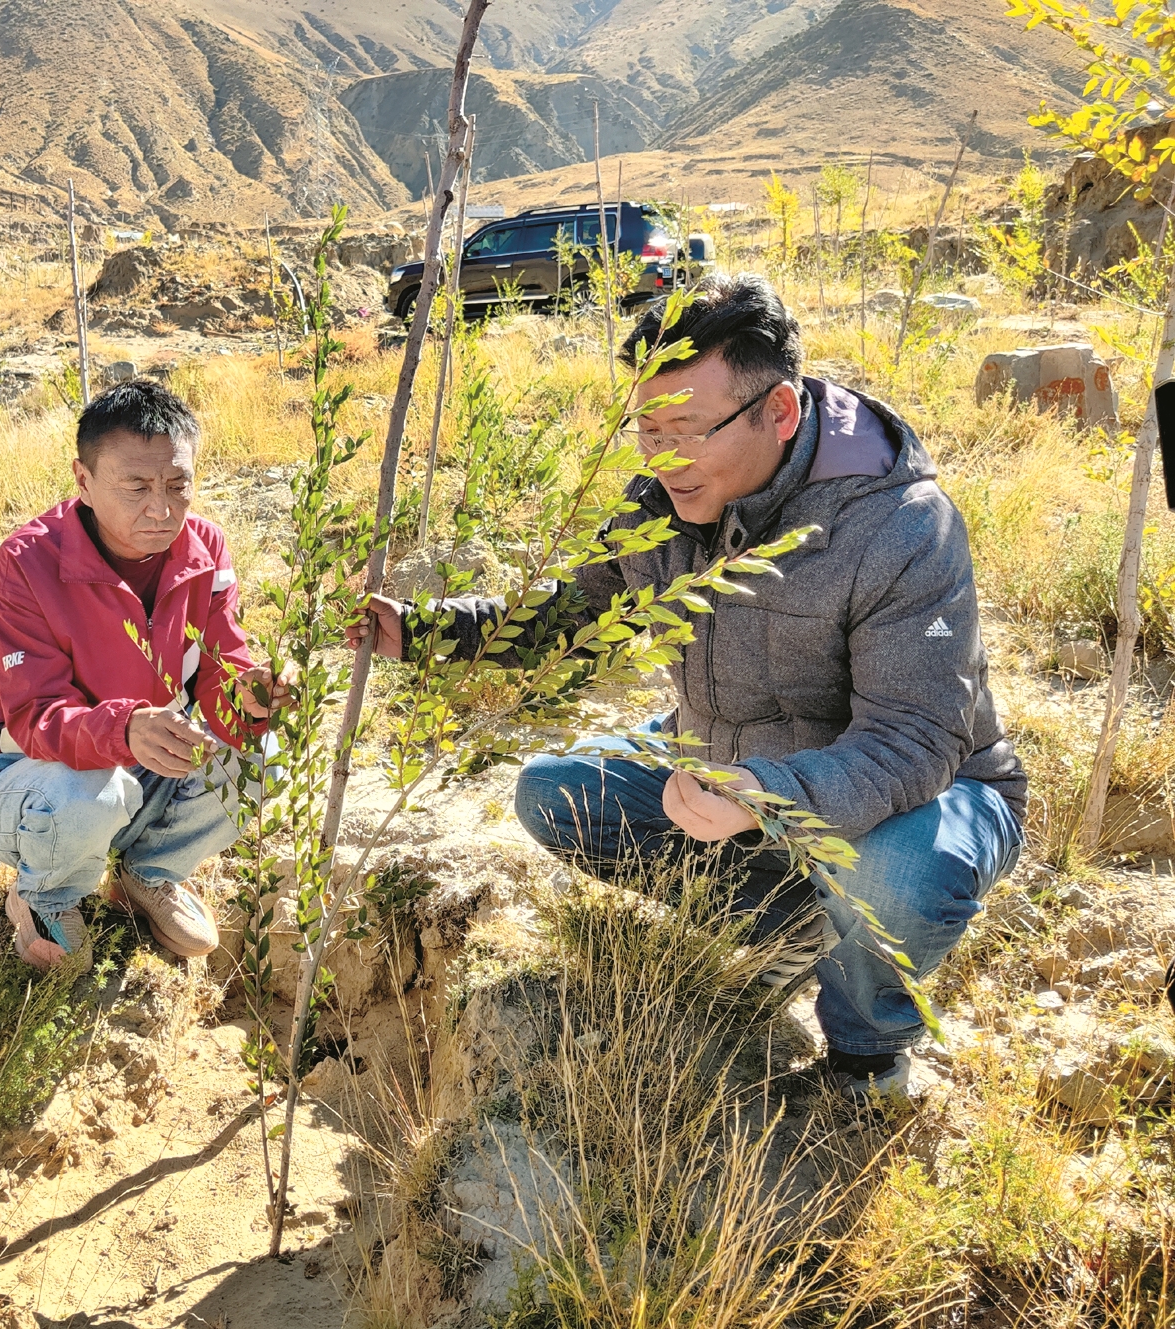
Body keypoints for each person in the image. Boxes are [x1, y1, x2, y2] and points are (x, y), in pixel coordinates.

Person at [351, 273, 1026, 1101]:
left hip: (917, 794)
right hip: (725, 764)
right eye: (649, 429)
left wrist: (765, 794)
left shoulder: (901, 524)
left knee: (895, 878)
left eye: (689, 431)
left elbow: (914, 742)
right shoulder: (659, 504)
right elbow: (569, 614)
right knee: (555, 794)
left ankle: (866, 1054)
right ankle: (805, 922)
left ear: (779, 412)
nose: (662, 458)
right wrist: (421, 630)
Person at [0, 379, 289, 968]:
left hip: (146, 755)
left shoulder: (205, 548)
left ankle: (149, 872)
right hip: (37, 771)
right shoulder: (27, 562)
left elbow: (220, 668)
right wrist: (124, 730)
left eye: (177, 485)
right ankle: (46, 894)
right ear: (84, 480)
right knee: (89, 793)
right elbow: (33, 716)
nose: (161, 508)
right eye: (136, 487)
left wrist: (248, 695)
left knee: (263, 758)